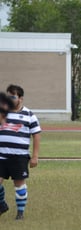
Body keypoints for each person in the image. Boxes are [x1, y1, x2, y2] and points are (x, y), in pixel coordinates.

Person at [0, 84, 42, 220]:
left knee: (19, 184)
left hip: (19, 157)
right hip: (1, 155)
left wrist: (35, 157)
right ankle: (2, 205)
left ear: (20, 98)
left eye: (13, 96)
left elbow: (36, 135)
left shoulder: (29, 115)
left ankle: (20, 213)